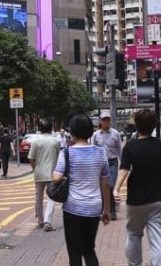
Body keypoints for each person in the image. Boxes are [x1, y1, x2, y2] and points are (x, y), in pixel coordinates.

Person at [113, 108, 161, 266]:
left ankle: (135, 264)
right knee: (158, 240)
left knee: (134, 235)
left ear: (136, 124)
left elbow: (124, 169)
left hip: (135, 200)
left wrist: (116, 189)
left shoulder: (130, 146)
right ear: (155, 125)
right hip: (158, 199)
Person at [53, 114, 110, 266]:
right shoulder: (100, 152)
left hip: (73, 207)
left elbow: (56, 178)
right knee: (89, 249)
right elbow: (105, 184)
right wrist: (107, 210)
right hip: (94, 207)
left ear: (72, 131)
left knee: (74, 252)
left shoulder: (67, 153)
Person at [29, 117, 60, 231]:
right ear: (51, 128)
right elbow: (58, 157)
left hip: (39, 172)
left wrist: (35, 168)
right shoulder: (55, 141)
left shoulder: (36, 142)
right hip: (52, 173)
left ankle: (40, 220)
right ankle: (48, 221)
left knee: (39, 197)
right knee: (51, 197)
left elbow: (31, 158)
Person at [91, 111, 123, 220]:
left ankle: (112, 211)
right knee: (101, 187)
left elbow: (119, 149)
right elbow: (92, 150)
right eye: (104, 120)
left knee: (111, 186)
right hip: (100, 164)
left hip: (113, 162)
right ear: (100, 121)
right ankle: (103, 210)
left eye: (108, 119)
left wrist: (123, 163)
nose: (106, 122)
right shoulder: (95, 135)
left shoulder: (115, 133)